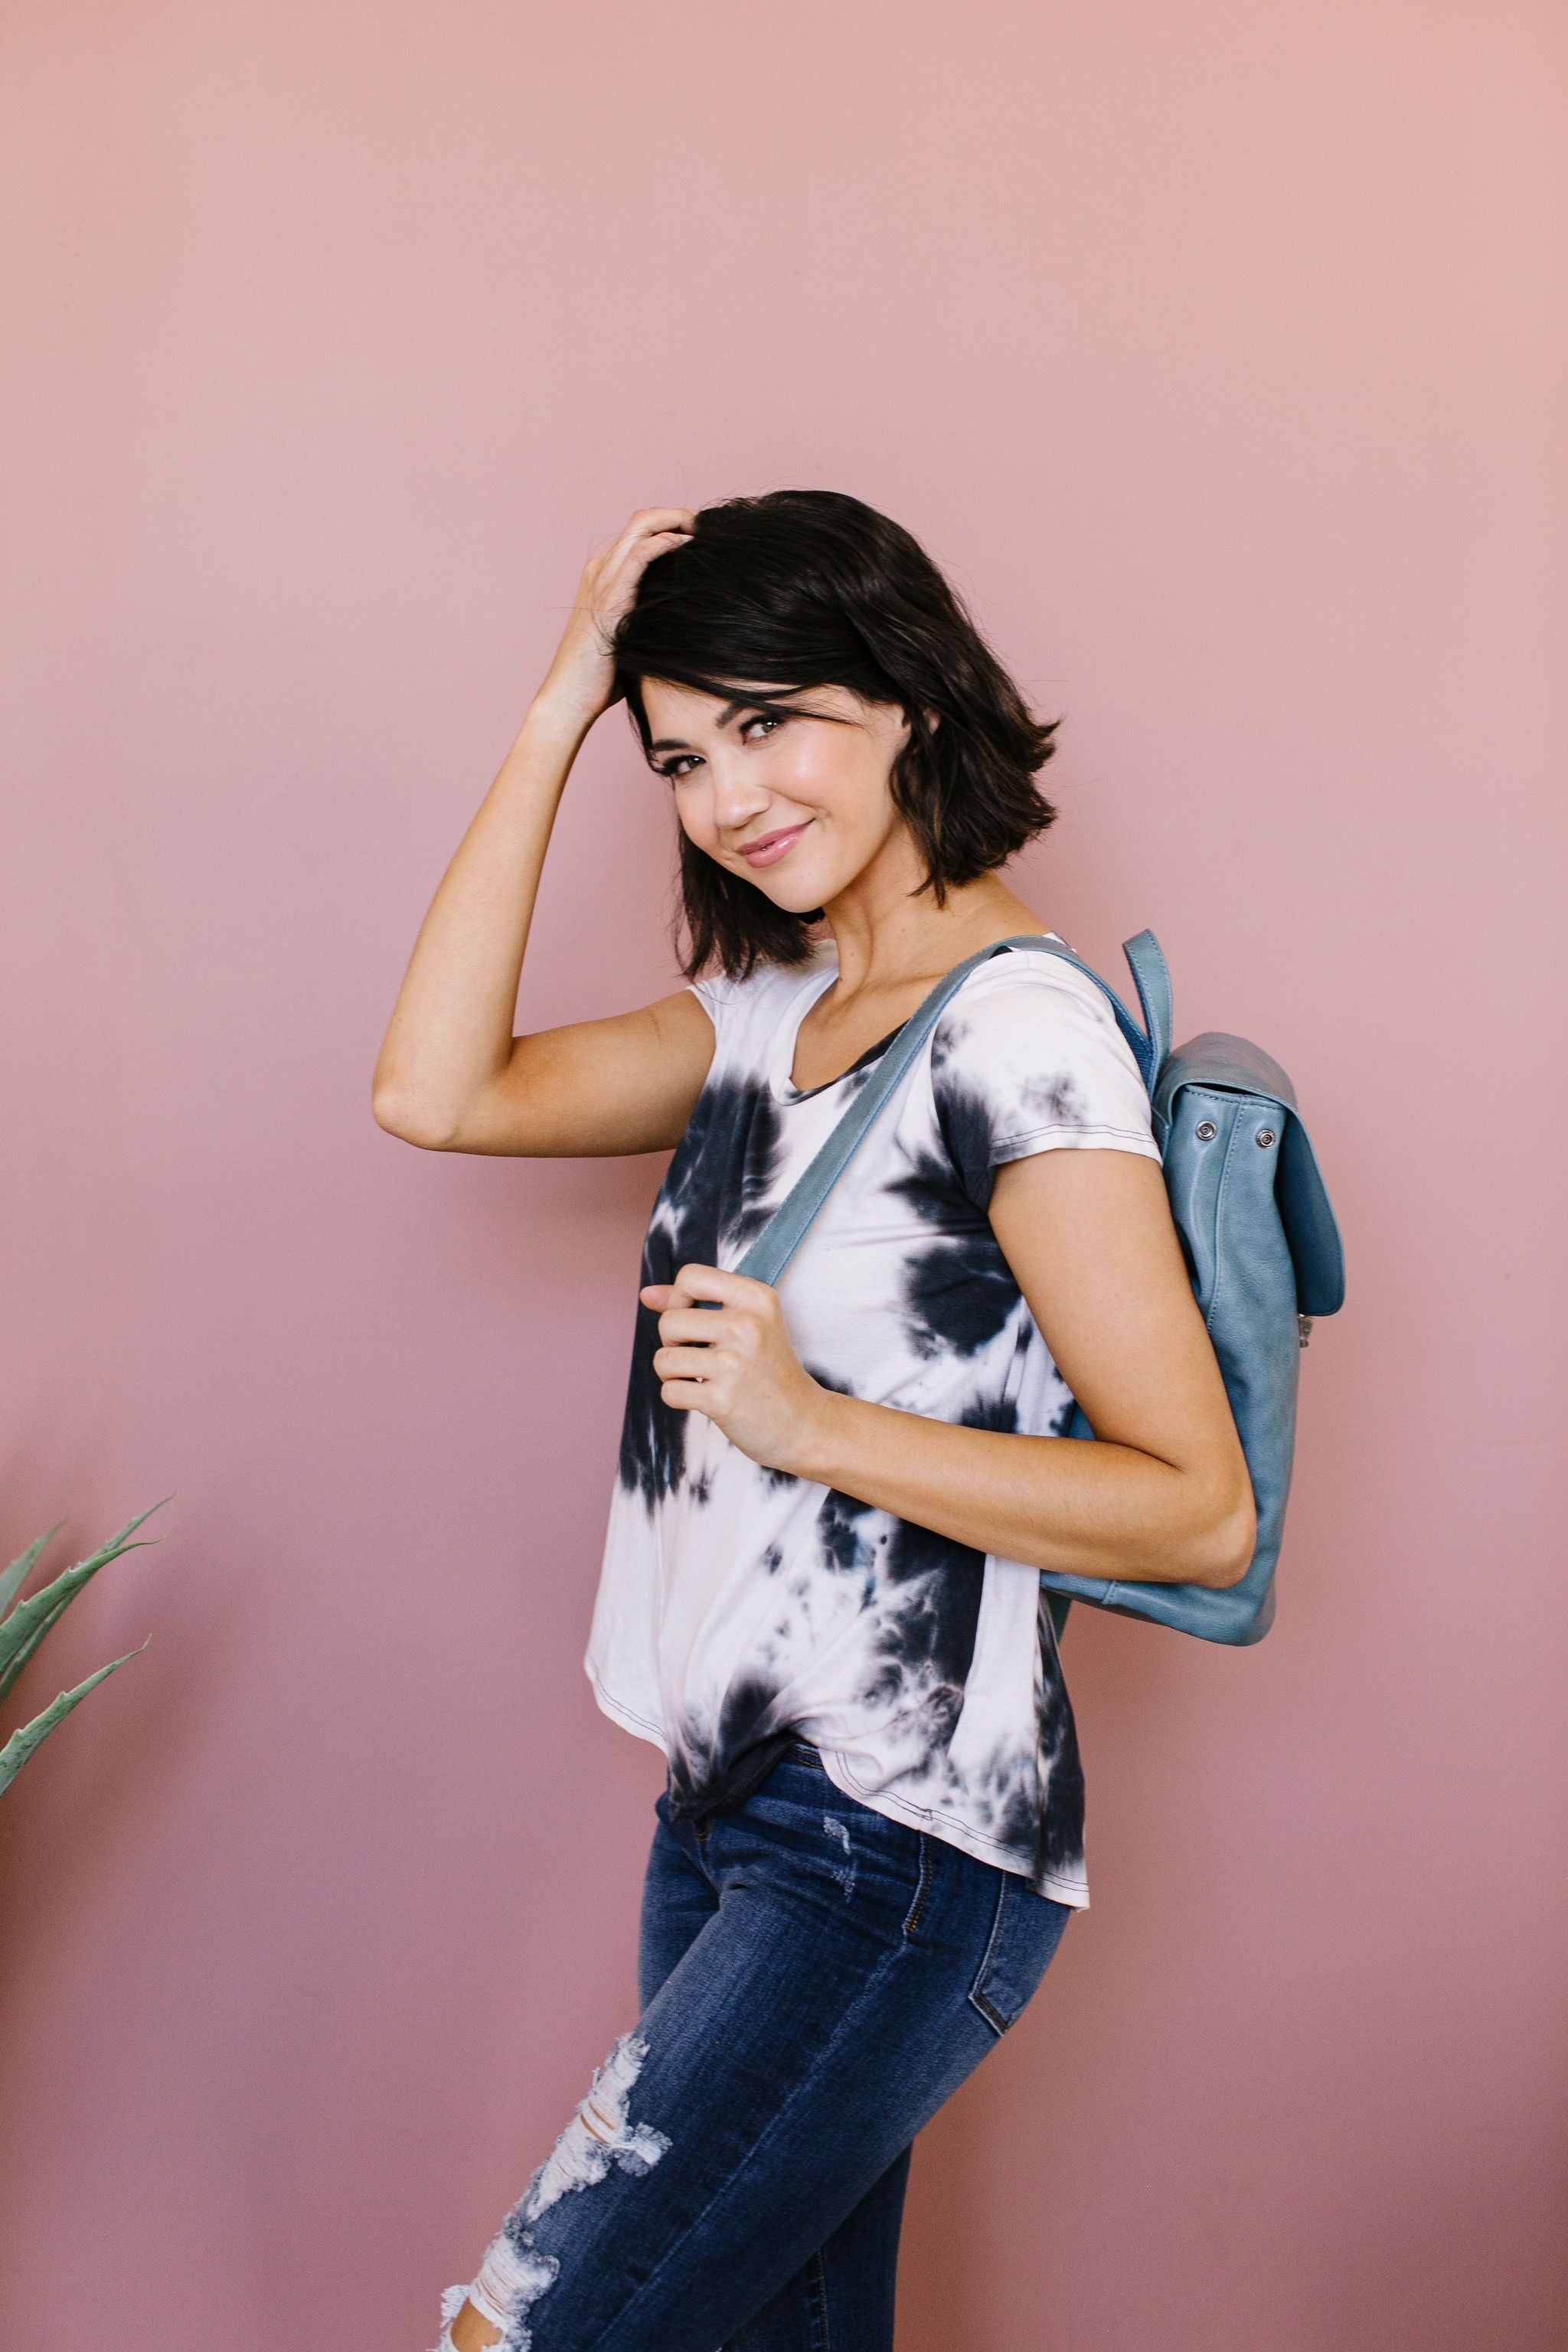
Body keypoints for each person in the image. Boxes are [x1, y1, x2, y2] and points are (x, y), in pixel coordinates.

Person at [373, 492, 1253, 2352]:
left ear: (906, 698)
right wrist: (558, 713)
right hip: (734, 1806)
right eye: (681, 754)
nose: (723, 796)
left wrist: (809, 1421)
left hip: (895, 1839)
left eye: (767, 722)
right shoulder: (770, 1010)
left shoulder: (1020, 1037)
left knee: (531, 2331)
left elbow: (1197, 1511)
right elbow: (437, 1091)